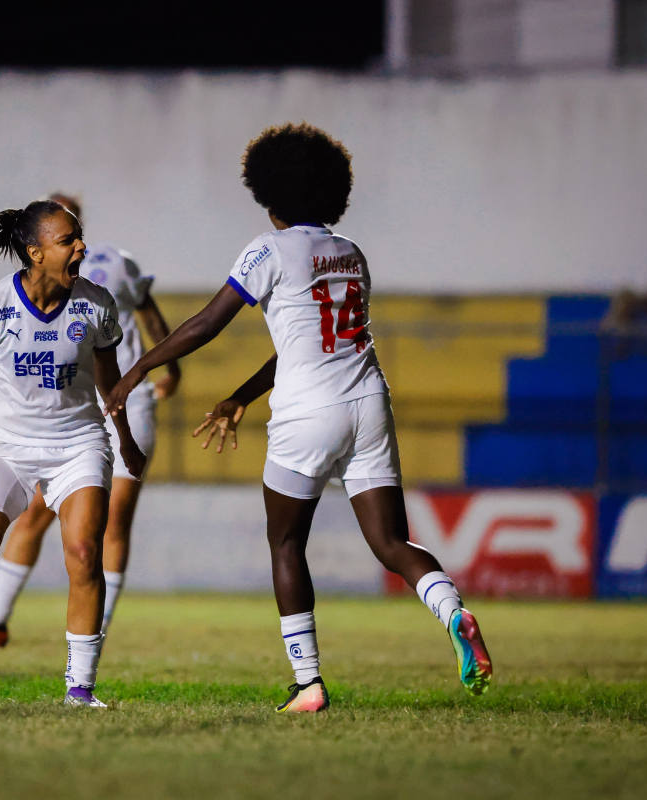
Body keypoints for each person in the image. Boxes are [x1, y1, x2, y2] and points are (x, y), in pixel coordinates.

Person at [104, 123, 493, 712]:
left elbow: (207, 323)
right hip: (368, 404)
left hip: (307, 412)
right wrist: (240, 397)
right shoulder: (350, 252)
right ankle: (452, 611)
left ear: (269, 192)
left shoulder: (267, 250)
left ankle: (307, 682)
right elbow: (305, 338)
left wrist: (136, 371)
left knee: (286, 542)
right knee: (391, 540)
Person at [0, 193, 180, 655]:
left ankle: (85, 665)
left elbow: (137, 340)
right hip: (16, 437)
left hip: (93, 427)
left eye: (77, 230)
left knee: (95, 543)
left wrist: (140, 412)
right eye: (67, 236)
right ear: (36, 246)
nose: (79, 244)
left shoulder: (103, 288)